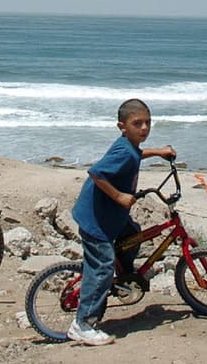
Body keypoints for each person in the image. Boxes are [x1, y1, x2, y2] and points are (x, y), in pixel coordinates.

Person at [68, 98, 176, 346]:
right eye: (137, 123)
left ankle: (124, 275)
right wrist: (118, 195)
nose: (145, 128)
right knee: (103, 266)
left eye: (148, 122)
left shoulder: (130, 147)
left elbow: (136, 155)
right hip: (96, 219)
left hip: (111, 216)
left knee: (133, 234)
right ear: (122, 126)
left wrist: (159, 151)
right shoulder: (124, 150)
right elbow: (96, 172)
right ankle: (83, 325)